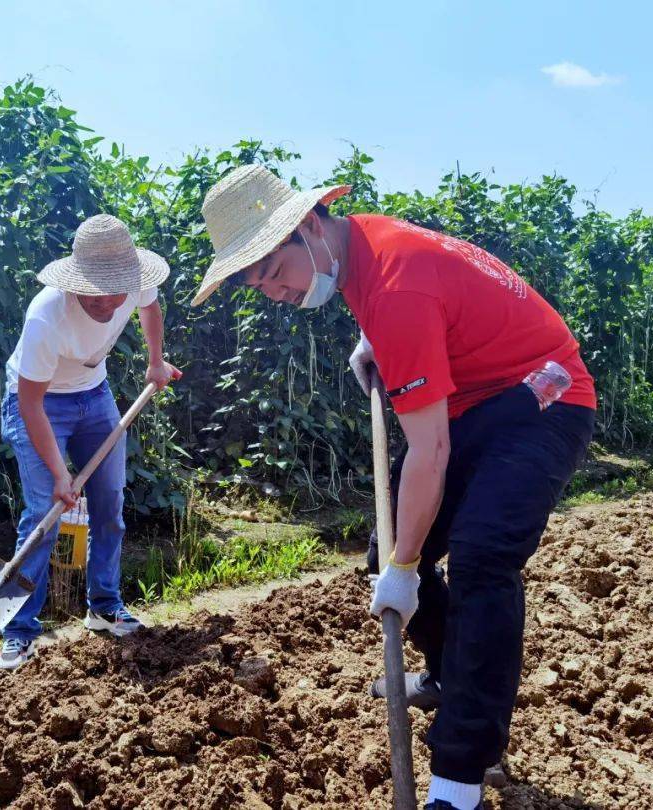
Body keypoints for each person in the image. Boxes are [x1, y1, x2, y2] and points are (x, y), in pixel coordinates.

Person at [192, 165, 595, 810]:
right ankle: (444, 672)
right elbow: (432, 298)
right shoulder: (362, 248)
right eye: (256, 283)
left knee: (482, 557)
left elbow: (428, 452)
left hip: (546, 399)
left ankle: (461, 774)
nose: (276, 293)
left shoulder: (394, 285)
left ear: (307, 227)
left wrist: (409, 566)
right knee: (389, 550)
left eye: (273, 272)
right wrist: (375, 340)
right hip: (480, 401)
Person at [0, 214, 181, 671]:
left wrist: (155, 362)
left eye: (117, 291)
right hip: (40, 402)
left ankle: (103, 606)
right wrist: (60, 473)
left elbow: (150, 309)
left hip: (94, 396)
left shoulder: (132, 282)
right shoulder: (47, 316)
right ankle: (18, 632)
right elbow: (30, 404)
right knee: (44, 513)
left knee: (109, 503)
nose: (110, 302)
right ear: (76, 282)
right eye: (97, 293)